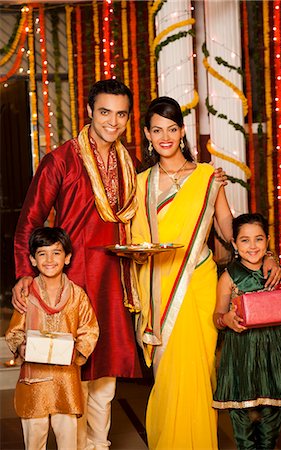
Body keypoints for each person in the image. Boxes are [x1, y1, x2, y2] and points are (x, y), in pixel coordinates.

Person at [130, 97, 281, 449]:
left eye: (172, 128)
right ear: (147, 135)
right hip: (158, 285)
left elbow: (229, 227)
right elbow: (133, 237)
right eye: (157, 130)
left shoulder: (206, 177)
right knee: (167, 374)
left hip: (197, 282)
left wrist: (267, 254)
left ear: (182, 132)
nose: (165, 136)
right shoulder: (140, 184)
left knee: (198, 371)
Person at [11, 79, 143, 450]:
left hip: (115, 281)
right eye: (105, 112)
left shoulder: (130, 163)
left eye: (121, 114)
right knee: (73, 372)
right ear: (89, 111)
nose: (112, 122)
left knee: (106, 376)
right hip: (73, 284)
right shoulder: (61, 160)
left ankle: (97, 445)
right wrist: (25, 272)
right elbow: (30, 220)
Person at [6, 227, 99, 450]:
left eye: (56, 253)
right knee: (34, 440)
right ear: (32, 260)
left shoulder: (77, 295)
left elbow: (90, 330)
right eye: (42, 253)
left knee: (69, 442)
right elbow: (14, 332)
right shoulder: (26, 296)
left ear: (67, 258)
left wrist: (75, 352)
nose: (49, 259)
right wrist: (21, 348)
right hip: (34, 382)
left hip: (65, 382)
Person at [213, 213, 281, 450]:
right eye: (245, 240)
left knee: (271, 426)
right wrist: (226, 319)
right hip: (241, 354)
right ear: (234, 244)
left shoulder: (277, 273)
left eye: (258, 239)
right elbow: (217, 316)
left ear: (268, 241)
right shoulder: (229, 276)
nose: (252, 246)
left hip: (275, 353)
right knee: (243, 428)